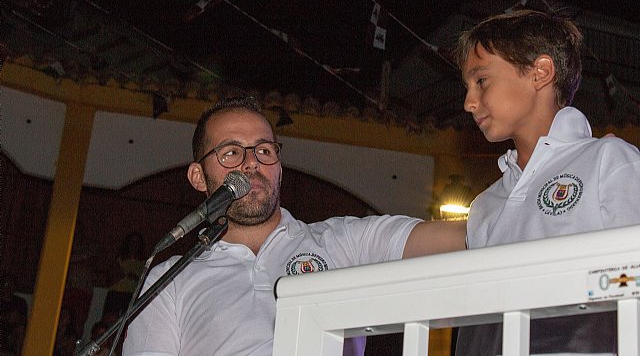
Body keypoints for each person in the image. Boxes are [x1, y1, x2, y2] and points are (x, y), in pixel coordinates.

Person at [123, 96, 466, 355]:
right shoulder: (169, 279)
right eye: (231, 153)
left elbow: (461, 237)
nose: (251, 164)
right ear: (199, 177)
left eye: (264, 150)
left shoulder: (340, 242)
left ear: (279, 166)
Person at [452, 9, 640, 355]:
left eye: (481, 81)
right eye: (467, 87)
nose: (469, 102)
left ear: (540, 73)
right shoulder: (485, 206)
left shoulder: (607, 162)